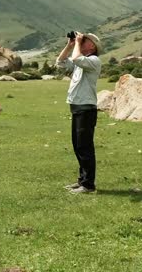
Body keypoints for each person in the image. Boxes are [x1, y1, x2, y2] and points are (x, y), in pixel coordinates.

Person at [55, 31, 102, 194]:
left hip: (86, 108)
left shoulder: (94, 60)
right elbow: (60, 62)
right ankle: (82, 181)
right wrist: (69, 45)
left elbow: (76, 59)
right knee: (78, 145)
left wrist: (77, 43)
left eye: (85, 41)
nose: (82, 42)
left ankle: (88, 185)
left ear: (92, 46)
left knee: (85, 146)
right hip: (76, 107)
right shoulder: (80, 62)